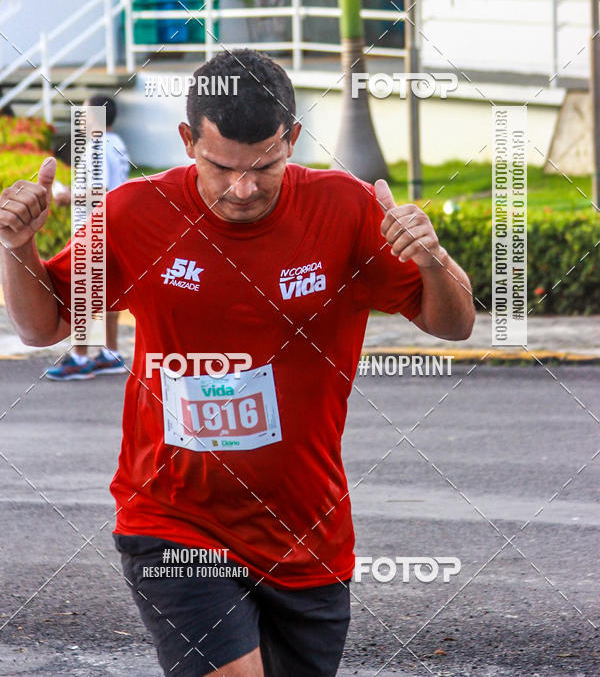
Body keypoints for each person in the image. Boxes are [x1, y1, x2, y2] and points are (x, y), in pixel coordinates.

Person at [0, 49, 475, 677]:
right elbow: (44, 325)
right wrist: (18, 246)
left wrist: (430, 259)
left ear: (293, 141)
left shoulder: (346, 208)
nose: (242, 189)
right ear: (187, 139)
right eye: (221, 167)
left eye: (266, 167)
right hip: (172, 517)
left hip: (307, 532)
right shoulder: (137, 214)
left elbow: (455, 322)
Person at [48, 94, 130, 379]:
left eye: (83, 112)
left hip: (97, 228)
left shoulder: (99, 146)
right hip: (115, 227)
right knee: (107, 292)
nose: (81, 118)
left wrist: (66, 195)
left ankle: (80, 359)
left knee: (82, 292)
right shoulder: (115, 143)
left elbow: (101, 193)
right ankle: (110, 353)